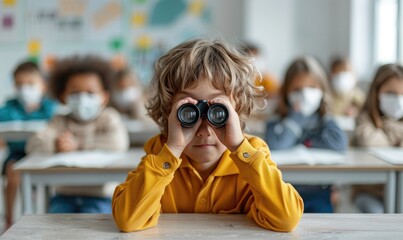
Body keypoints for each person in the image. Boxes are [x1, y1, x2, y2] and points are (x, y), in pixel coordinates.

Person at [112, 39, 303, 232]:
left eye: (218, 111)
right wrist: (173, 150)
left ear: (238, 109)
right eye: (188, 111)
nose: (204, 129)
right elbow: (129, 220)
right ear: (169, 111)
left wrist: (238, 147)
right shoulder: (161, 153)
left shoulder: (252, 154)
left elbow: (286, 219)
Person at [26, 55, 129, 213]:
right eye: (75, 93)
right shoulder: (59, 120)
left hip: (100, 196)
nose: (82, 98)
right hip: (63, 196)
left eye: (90, 92)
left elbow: (118, 143)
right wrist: (56, 144)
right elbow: (33, 144)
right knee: (53, 229)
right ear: (63, 96)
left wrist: (78, 144)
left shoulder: (108, 117)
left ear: (104, 97)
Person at [265, 56, 348, 213]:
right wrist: (296, 120)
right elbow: (276, 146)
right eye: (297, 89)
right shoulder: (275, 122)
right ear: (286, 92)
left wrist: (304, 142)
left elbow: (339, 144)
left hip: (319, 192)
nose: (305, 94)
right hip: (284, 193)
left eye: (312, 87)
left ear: (322, 91)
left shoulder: (325, 120)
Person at [0, 61, 56, 230]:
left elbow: (55, 125)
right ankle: (9, 218)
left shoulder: (50, 107)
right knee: (12, 169)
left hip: (43, 154)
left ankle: (45, 216)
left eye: (30, 84)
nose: (25, 89)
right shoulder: (10, 107)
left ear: (43, 85)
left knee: (44, 176)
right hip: (18, 152)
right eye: (20, 84)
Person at [353, 63, 403, 213]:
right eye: (391, 93)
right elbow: (369, 141)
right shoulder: (364, 118)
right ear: (376, 93)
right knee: (376, 213)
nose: (398, 100)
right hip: (370, 191)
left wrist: (386, 129)